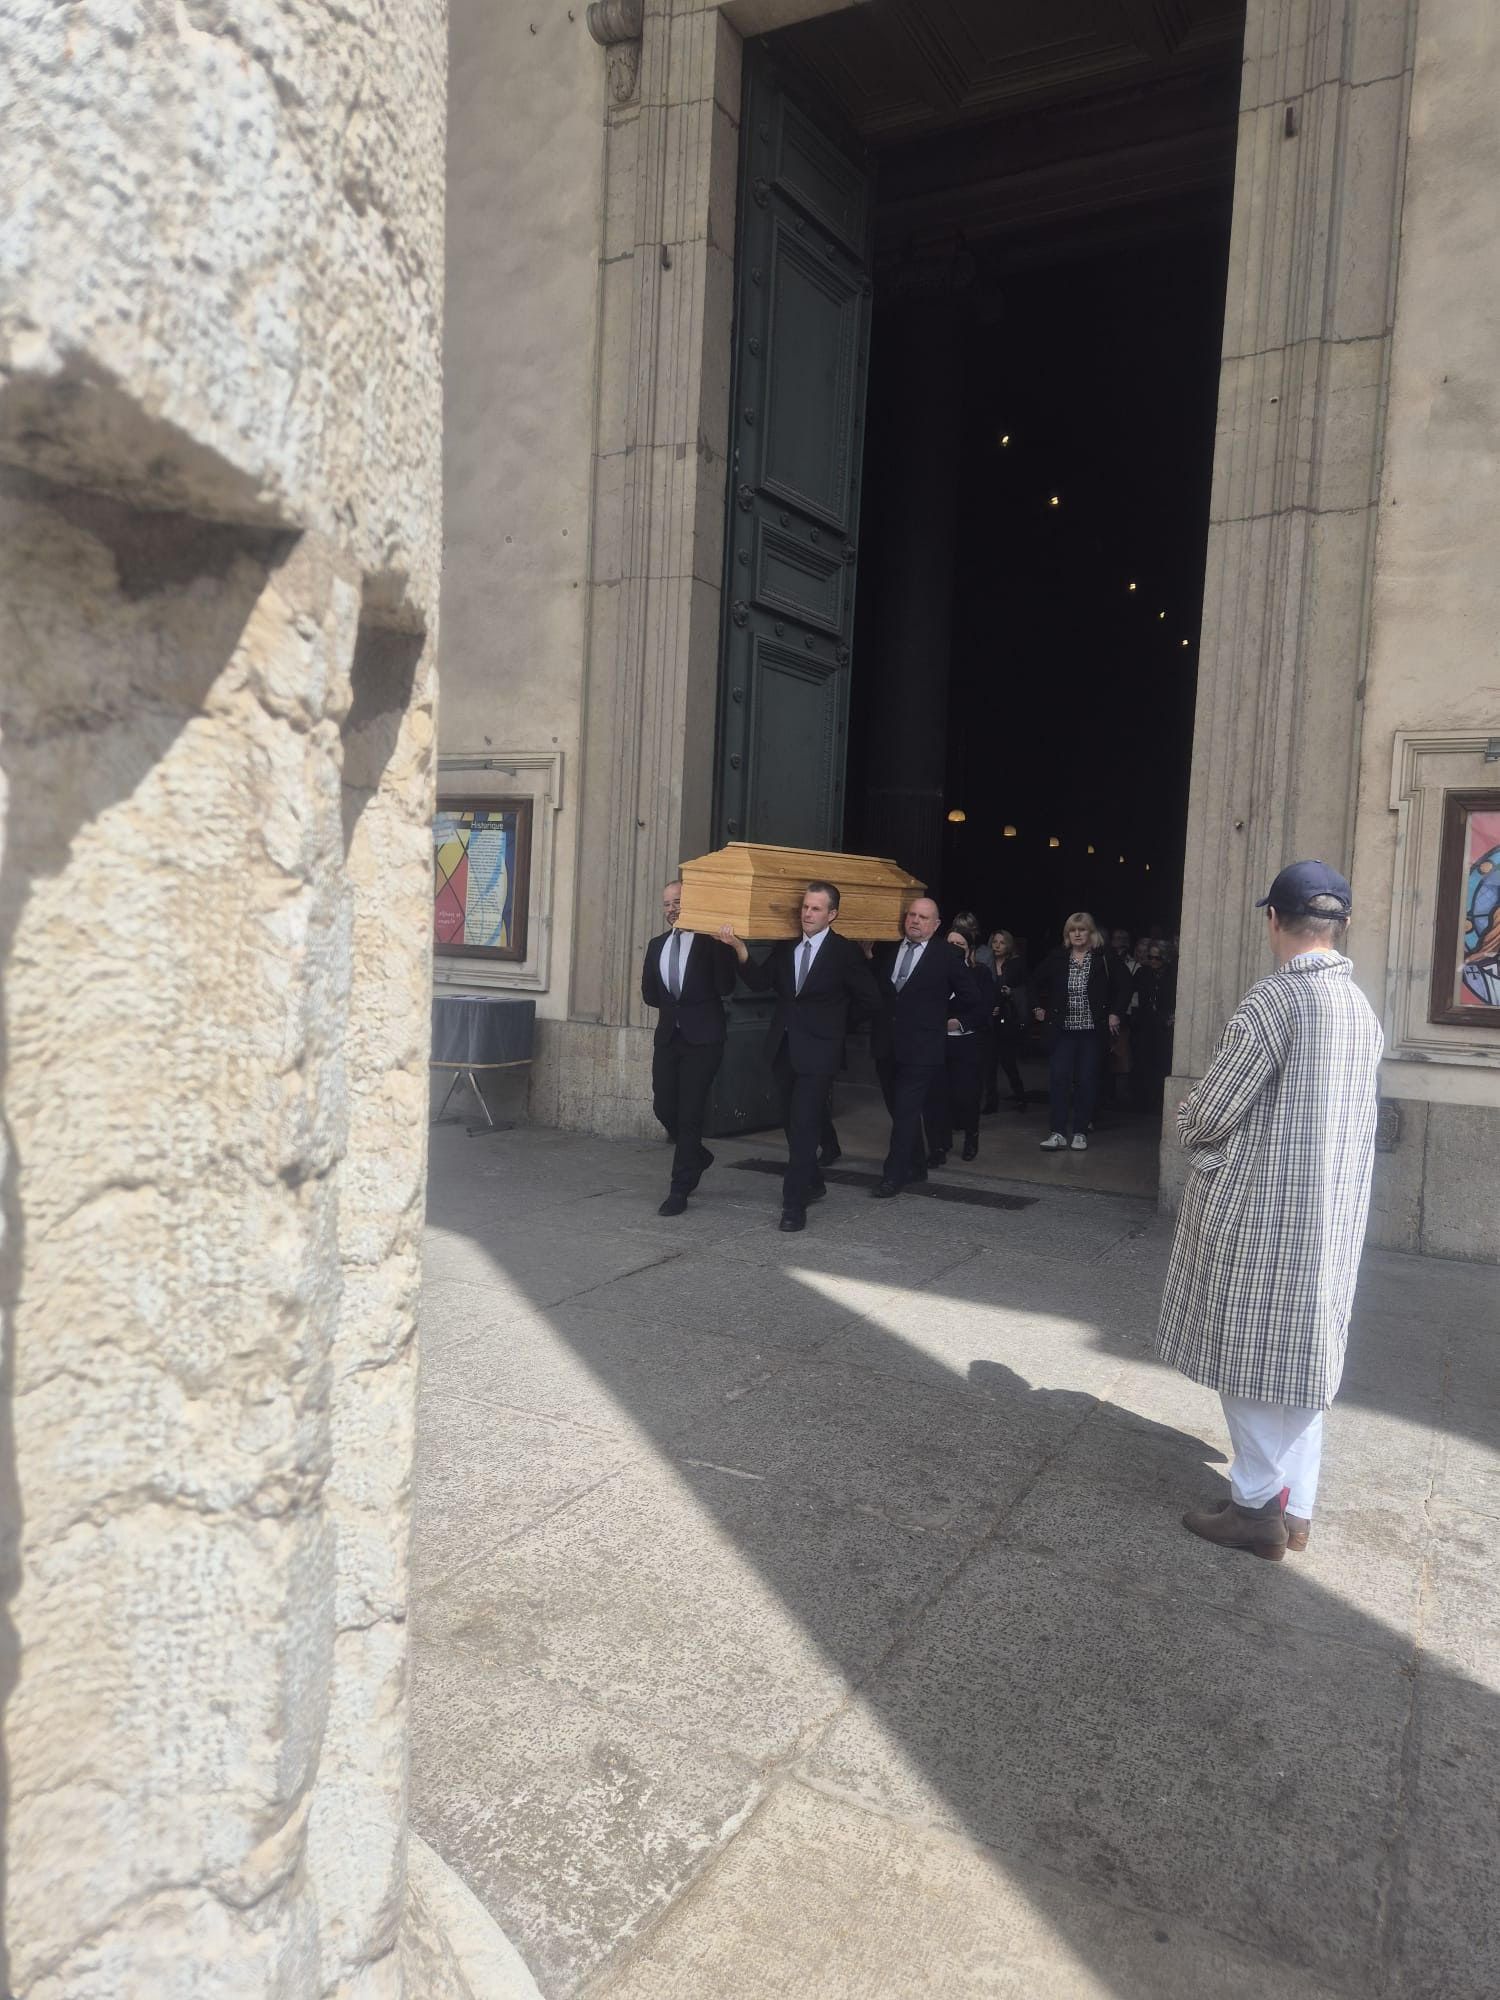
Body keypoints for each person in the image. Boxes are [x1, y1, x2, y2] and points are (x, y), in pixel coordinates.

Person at [1157, 861, 1382, 1560]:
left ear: (1273, 920)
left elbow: (1212, 1112)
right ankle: (1299, 1506)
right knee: (1309, 1356)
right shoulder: (1360, 1008)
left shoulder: (1273, 1002)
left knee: (1247, 1357)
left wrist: (1188, 1120)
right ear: (1338, 925)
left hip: (1261, 1211)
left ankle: (1256, 1507)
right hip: (1332, 1213)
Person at [719, 882, 879, 1233]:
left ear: (832, 914)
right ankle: (814, 1180)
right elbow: (761, 982)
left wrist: (836, 1027)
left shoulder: (843, 952)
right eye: (805, 907)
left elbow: (870, 1000)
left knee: (805, 1123)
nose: (807, 914)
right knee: (792, 1123)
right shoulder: (787, 945)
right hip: (784, 1049)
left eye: (816, 909)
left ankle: (794, 1204)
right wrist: (740, 950)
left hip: (820, 1053)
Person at [868, 898, 979, 1195]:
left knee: (906, 1111)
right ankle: (916, 1165)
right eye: (912, 915)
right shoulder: (887, 950)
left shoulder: (947, 955)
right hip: (887, 1044)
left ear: (936, 924)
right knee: (897, 1110)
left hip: (922, 1048)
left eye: (923, 917)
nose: (915, 921)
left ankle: (894, 1174)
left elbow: (971, 996)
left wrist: (946, 1019)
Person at [641, 879, 738, 1216]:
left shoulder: (711, 944)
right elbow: (650, 994)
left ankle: (680, 1187)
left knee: (691, 1111)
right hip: (669, 1038)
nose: (672, 909)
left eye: (678, 901)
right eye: (667, 903)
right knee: (663, 1105)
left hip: (704, 1039)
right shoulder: (656, 945)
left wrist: (727, 947)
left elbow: (726, 986)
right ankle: (698, 1154)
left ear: (692, 902)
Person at [1030, 912, 1130, 1150]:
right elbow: (1033, 980)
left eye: (1082, 929)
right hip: (1062, 1030)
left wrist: (1116, 1012)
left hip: (1091, 1031)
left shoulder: (1104, 957)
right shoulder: (1057, 957)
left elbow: (1126, 985)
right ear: (1067, 934)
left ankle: (1080, 1131)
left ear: (1090, 933)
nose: (1077, 934)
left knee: (1087, 1080)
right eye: (1072, 930)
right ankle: (1057, 1132)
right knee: (1058, 1080)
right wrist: (1036, 1007)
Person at [931, 928, 993, 1161]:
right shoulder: (935, 972)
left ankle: (971, 1137)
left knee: (967, 1094)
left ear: (970, 950)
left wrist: (961, 1022)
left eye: (960, 944)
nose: (954, 949)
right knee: (940, 1093)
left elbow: (985, 1007)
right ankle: (942, 1142)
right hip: (939, 1041)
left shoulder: (980, 973)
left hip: (968, 1041)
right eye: (950, 943)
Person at [980, 928, 1028, 1112]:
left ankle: (1020, 1096)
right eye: (995, 942)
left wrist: (1010, 994)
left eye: (1001, 942)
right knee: (989, 1063)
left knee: (1008, 1061)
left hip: (1007, 1017)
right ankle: (991, 1102)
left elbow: (1024, 988)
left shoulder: (1015, 964)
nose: (998, 946)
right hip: (990, 1017)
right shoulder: (987, 964)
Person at [1130, 940, 1177, 1110]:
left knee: (1161, 1062)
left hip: (1164, 1026)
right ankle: (1141, 1101)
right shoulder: (1142, 972)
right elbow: (1130, 992)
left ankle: (1158, 1101)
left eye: (1158, 958)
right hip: (1145, 1024)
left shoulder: (1174, 974)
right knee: (1142, 1062)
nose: (1154, 961)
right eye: (1150, 957)